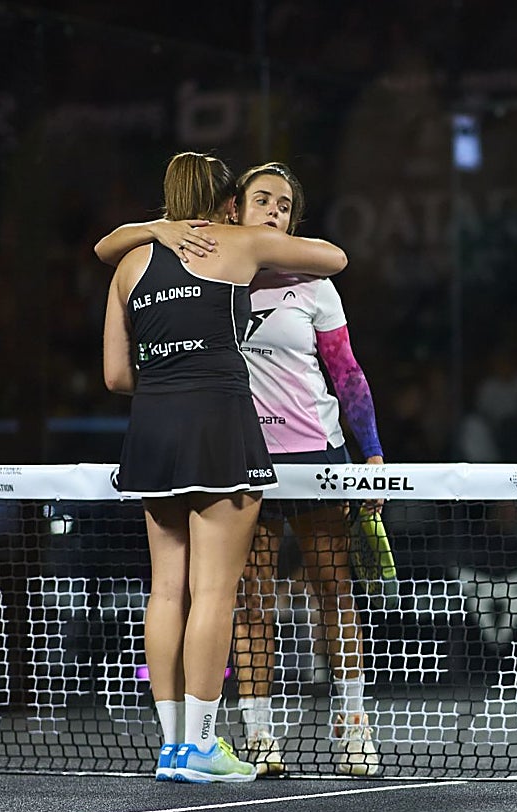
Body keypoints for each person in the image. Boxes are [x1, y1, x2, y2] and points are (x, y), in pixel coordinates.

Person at [98, 162, 385, 777]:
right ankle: (240, 738)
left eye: (286, 204)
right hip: (229, 445)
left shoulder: (143, 264)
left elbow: (349, 370)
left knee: (326, 593)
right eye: (263, 199)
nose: (275, 212)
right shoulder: (231, 254)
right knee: (236, 599)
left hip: (286, 452)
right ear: (231, 205)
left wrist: (372, 451)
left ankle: (349, 729)